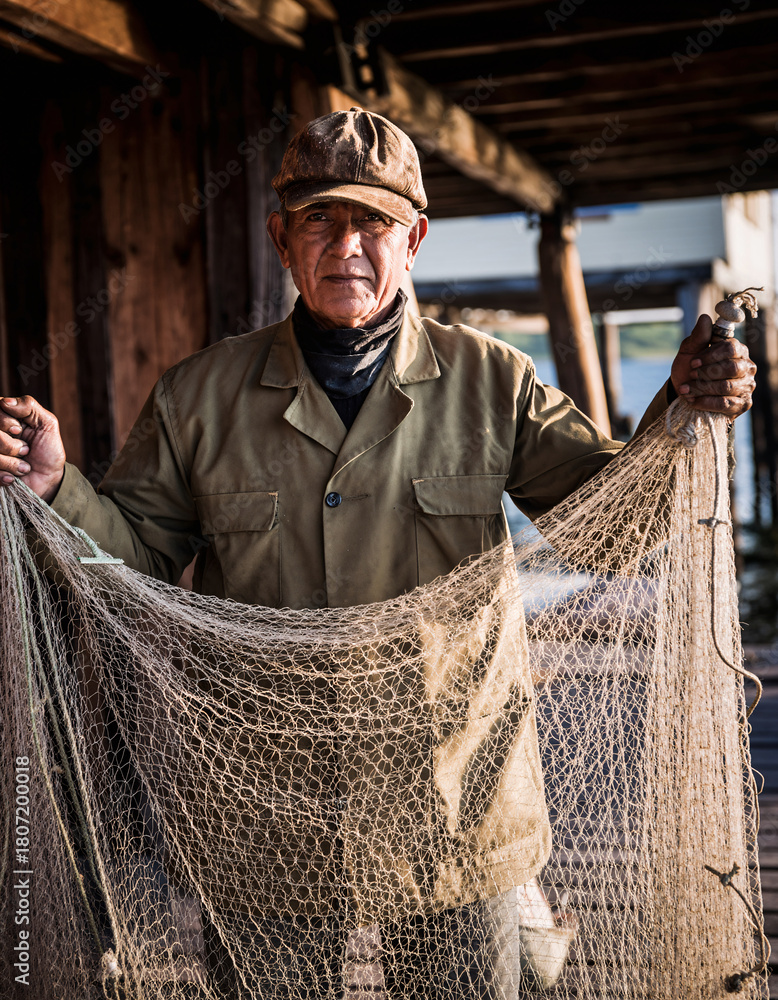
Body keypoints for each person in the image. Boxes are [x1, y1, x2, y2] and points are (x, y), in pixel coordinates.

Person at [0, 107, 757, 998]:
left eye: (374, 222)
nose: (346, 244)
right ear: (282, 240)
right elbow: (132, 568)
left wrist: (676, 416)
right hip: (264, 810)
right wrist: (59, 489)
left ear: (416, 240)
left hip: (455, 802)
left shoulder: (491, 379)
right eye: (320, 218)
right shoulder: (198, 397)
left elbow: (617, 530)